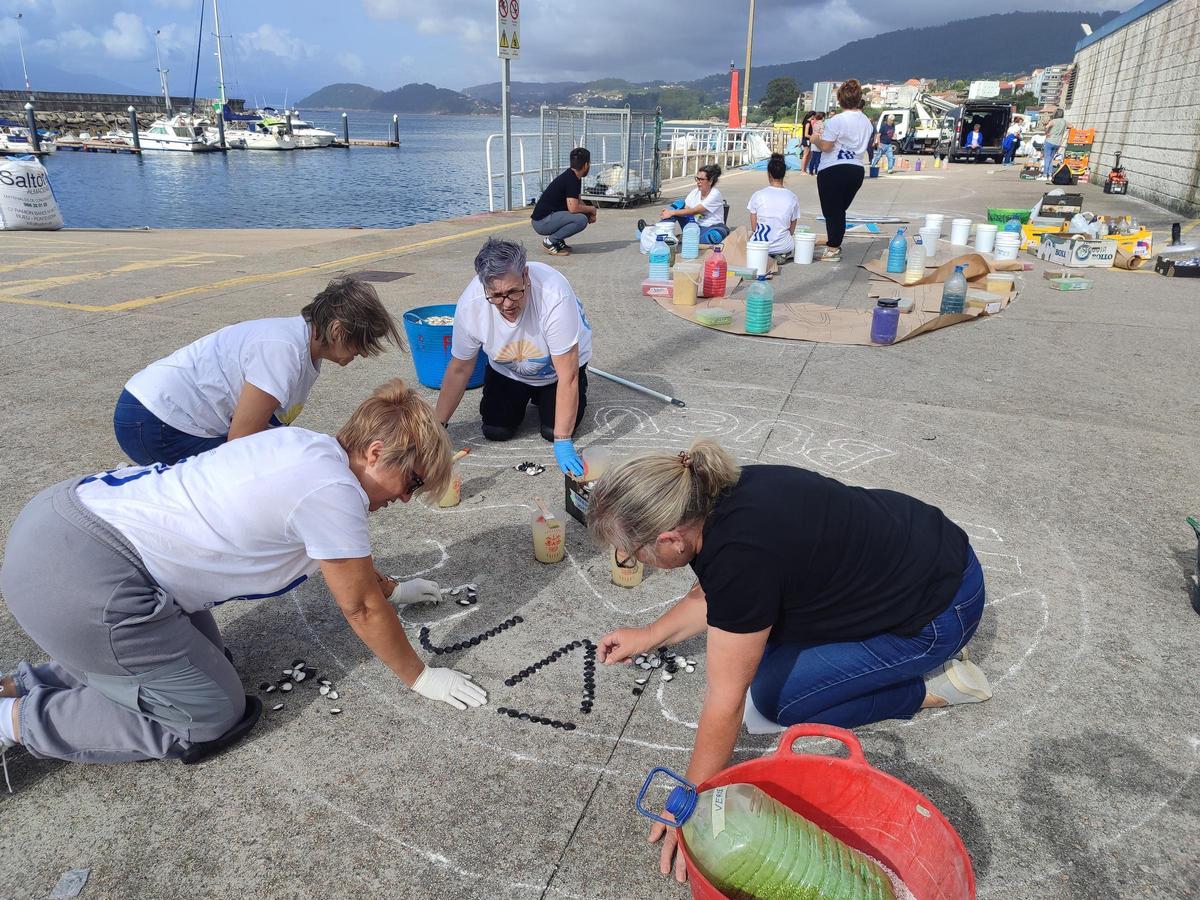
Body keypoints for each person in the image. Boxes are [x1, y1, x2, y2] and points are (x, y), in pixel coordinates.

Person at [0, 379, 485, 770]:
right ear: (376, 453)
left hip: (63, 522)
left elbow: (345, 563)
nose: (405, 498)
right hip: (83, 576)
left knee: (205, 664)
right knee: (208, 712)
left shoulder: (309, 449)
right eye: (413, 481)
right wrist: (419, 677)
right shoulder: (333, 491)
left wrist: (394, 590)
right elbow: (358, 606)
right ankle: (12, 720)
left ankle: (20, 683)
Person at [587, 440, 991, 882]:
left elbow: (725, 698)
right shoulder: (713, 492)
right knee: (762, 656)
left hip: (938, 614)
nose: (632, 561)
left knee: (779, 701)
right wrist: (649, 635)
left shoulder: (741, 553)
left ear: (670, 537)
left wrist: (693, 803)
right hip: (932, 554)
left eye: (633, 552)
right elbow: (720, 594)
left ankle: (929, 688)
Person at [114, 276, 402, 467]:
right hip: (154, 419)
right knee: (220, 491)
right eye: (363, 343)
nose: (363, 353)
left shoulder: (302, 349)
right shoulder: (284, 352)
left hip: (154, 413)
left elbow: (268, 429)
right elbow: (240, 442)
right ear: (337, 330)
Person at [434, 238, 592, 476]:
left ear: (526, 276)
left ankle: (548, 398)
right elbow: (460, 369)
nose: (506, 304)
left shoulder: (554, 295)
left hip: (556, 374)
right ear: (484, 286)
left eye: (513, 292)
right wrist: (438, 426)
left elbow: (567, 376)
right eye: (496, 296)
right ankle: (530, 397)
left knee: (552, 431)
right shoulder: (471, 305)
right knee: (496, 430)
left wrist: (562, 441)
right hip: (508, 369)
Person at [813, 80, 874, 263]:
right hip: (856, 169)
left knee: (832, 211)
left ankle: (833, 248)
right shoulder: (866, 122)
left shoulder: (836, 120)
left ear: (840, 99)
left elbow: (826, 146)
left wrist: (815, 139)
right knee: (839, 210)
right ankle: (833, 240)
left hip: (833, 168)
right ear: (859, 98)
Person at [531, 147, 598, 256]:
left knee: (583, 215)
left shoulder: (573, 176)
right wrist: (592, 209)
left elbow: (578, 200)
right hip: (542, 222)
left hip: (545, 219)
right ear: (586, 165)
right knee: (581, 220)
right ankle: (550, 242)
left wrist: (589, 213)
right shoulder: (571, 179)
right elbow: (573, 208)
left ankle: (558, 241)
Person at [653, 164, 728, 245]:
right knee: (679, 204)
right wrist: (670, 211)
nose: (698, 182)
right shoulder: (695, 192)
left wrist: (672, 212)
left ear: (710, 181)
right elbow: (686, 208)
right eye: (697, 179)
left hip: (711, 227)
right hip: (694, 225)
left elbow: (695, 211)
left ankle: (684, 238)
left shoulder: (715, 194)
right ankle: (662, 229)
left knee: (714, 236)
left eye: (701, 179)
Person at [746, 154, 801, 261]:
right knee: (789, 240)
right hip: (784, 245)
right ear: (784, 174)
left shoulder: (758, 195)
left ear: (769, 174)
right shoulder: (792, 197)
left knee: (747, 234)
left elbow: (754, 227)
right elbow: (791, 229)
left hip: (759, 245)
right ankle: (780, 254)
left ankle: (766, 256)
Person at [1042, 109, 1068, 181]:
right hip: (1058, 143)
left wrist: (1047, 133)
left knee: (1047, 158)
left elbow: (1046, 127)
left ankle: (1044, 175)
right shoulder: (1064, 122)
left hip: (1050, 141)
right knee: (1051, 159)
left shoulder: (1053, 121)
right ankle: (1050, 174)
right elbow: (1071, 126)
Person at [799, 111, 815, 176]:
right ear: (812, 116)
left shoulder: (805, 122)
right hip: (807, 140)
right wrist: (813, 137)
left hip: (805, 140)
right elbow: (806, 134)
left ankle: (804, 169)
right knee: (805, 154)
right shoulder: (808, 123)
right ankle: (803, 170)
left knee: (808, 154)